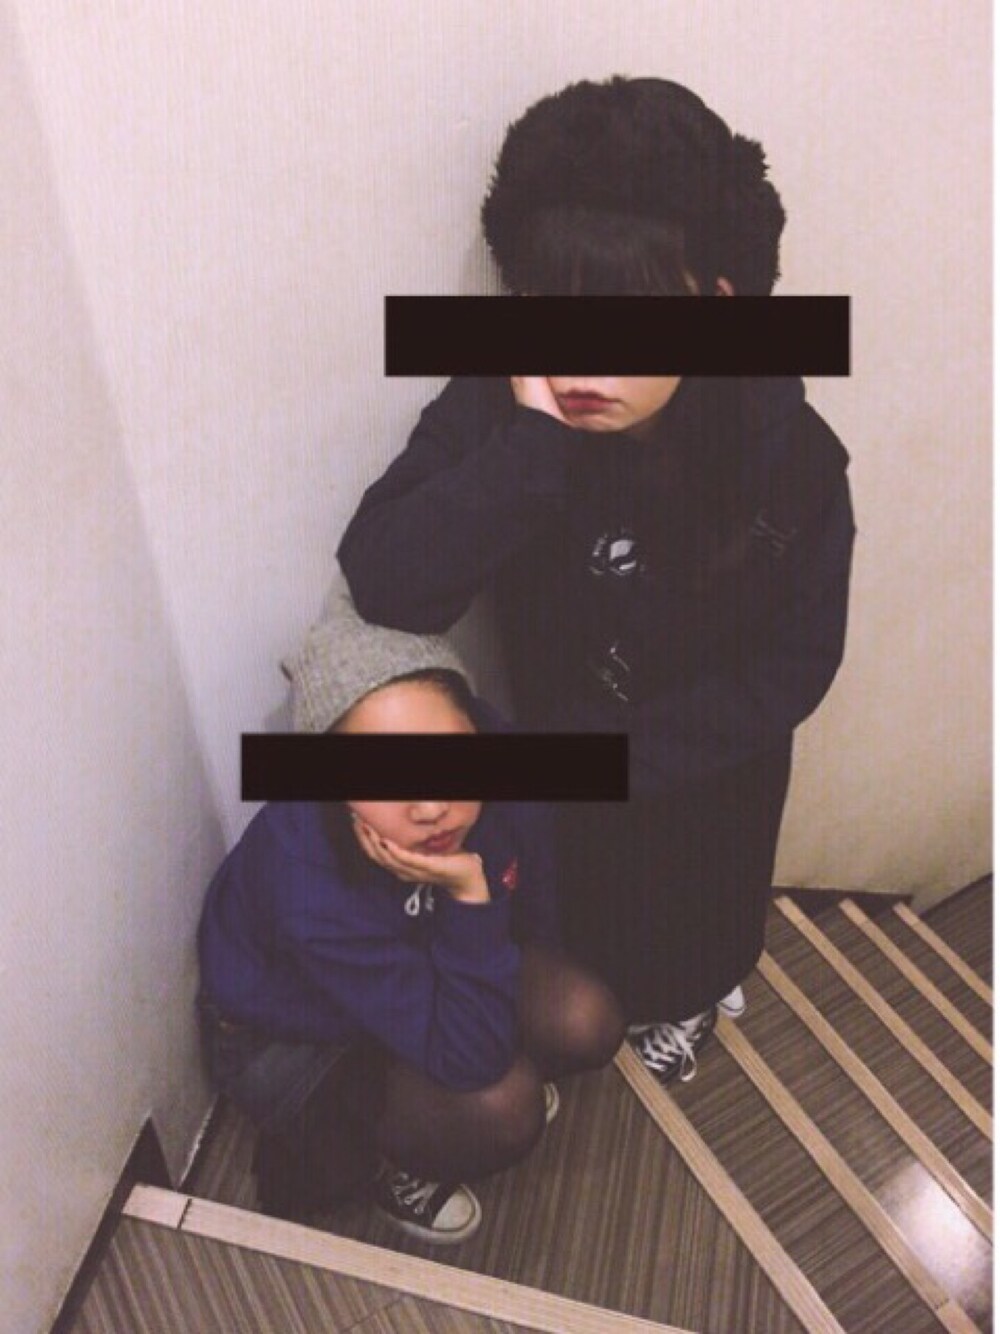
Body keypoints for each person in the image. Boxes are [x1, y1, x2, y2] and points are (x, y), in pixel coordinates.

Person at [337, 77, 855, 1086]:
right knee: (586, 919)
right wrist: (531, 449)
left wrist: (626, 757)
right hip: (561, 763)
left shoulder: (788, 452)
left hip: (711, 766)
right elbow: (386, 578)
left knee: (697, 922)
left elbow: (800, 660)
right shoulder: (508, 400)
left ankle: (692, 1000)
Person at [197, 586, 624, 1244]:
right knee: (503, 1107)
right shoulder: (304, 875)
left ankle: (438, 1079)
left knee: (584, 1017)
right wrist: (469, 896)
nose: (430, 807)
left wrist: (505, 994)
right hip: (292, 1032)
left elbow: (535, 903)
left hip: (409, 951)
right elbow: (474, 1060)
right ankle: (396, 1162)